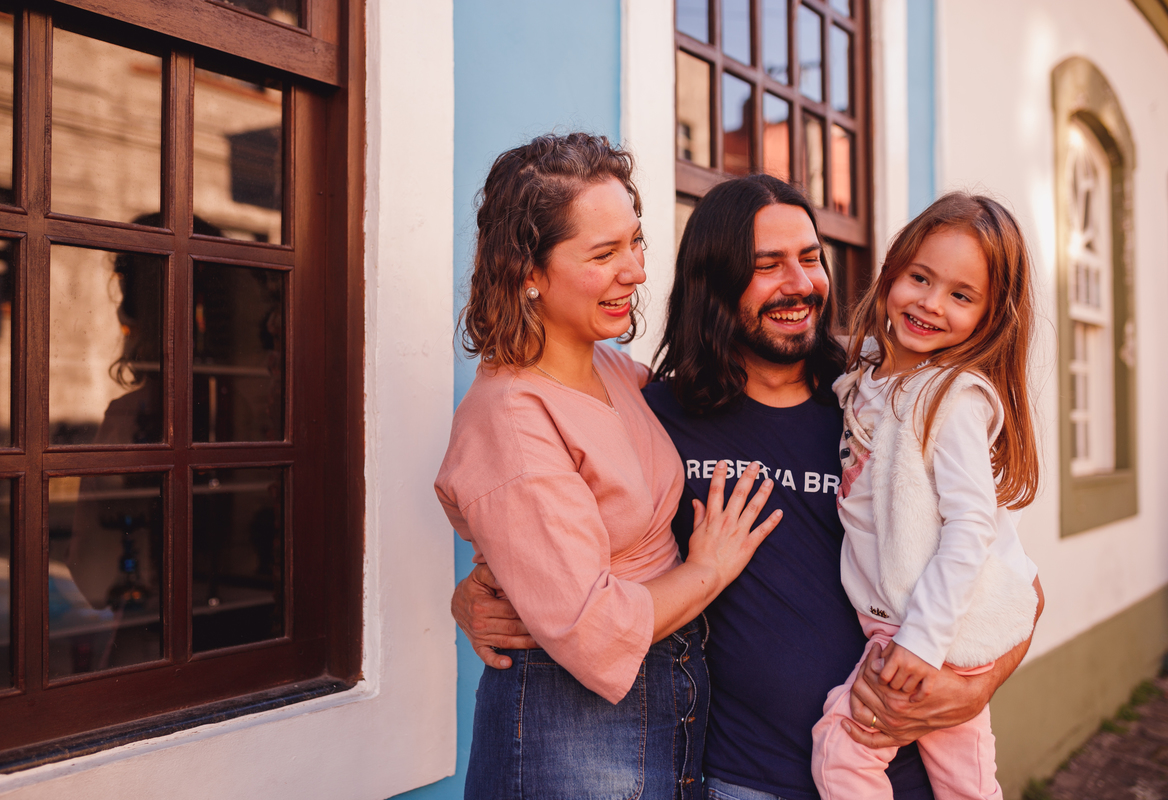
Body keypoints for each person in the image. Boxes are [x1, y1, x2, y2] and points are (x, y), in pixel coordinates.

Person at [454, 173, 1045, 800]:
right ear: (715, 280)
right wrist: (481, 587)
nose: (800, 284)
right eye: (768, 265)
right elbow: (563, 532)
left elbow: (1013, 579)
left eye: (811, 259)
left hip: (893, 769)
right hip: (739, 780)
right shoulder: (656, 416)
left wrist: (976, 684)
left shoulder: (877, 403)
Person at [435, 133, 783, 800]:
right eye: (603, 253)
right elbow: (593, 634)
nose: (637, 271)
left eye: (636, 241)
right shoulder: (510, 419)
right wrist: (708, 568)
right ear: (526, 273)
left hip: (661, 708)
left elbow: (737, 380)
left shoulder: (615, 370)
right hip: (569, 727)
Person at [810, 193, 1040, 799]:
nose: (930, 304)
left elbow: (971, 527)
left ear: (990, 317)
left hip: (919, 632)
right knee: (967, 783)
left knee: (843, 752)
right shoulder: (875, 376)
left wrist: (920, 639)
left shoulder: (952, 397)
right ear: (891, 271)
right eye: (920, 278)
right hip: (934, 636)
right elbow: (867, 374)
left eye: (961, 296)